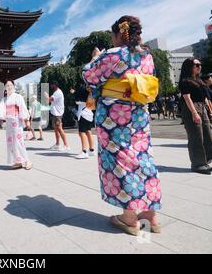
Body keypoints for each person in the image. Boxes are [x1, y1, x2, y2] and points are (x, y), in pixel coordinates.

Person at [82, 15, 161, 235]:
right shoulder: (147, 56)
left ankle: (129, 218)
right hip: (138, 115)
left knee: (121, 160)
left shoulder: (112, 54)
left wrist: (95, 57)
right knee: (143, 158)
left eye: (112, 35)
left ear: (119, 34)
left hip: (114, 117)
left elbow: (88, 76)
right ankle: (150, 216)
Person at [179, 59, 212, 175]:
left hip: (202, 108)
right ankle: (198, 164)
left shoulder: (199, 80)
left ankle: (205, 162)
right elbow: (187, 98)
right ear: (189, 66)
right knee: (196, 137)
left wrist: (209, 110)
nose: (199, 67)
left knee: (207, 136)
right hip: (191, 108)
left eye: (200, 64)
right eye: (196, 65)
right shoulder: (185, 81)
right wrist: (194, 113)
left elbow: (205, 97)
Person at [0, 81, 32, 170]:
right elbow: (0, 109)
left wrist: (27, 120)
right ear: (5, 87)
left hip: (17, 122)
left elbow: (23, 108)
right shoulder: (4, 99)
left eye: (10, 85)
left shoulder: (18, 97)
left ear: (13, 86)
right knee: (11, 143)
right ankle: (18, 161)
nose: (9, 87)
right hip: (9, 123)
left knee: (19, 142)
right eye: (7, 85)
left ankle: (27, 160)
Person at [44, 81, 70, 152]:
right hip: (55, 114)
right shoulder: (56, 92)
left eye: (51, 85)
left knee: (59, 129)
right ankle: (58, 144)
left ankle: (66, 145)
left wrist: (46, 95)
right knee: (56, 129)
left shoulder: (58, 92)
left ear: (55, 85)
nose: (50, 86)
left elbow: (49, 100)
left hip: (58, 114)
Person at [74, 84, 95, 159]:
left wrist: (74, 92)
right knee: (88, 131)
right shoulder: (90, 95)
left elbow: (76, 101)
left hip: (83, 115)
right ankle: (91, 150)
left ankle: (84, 151)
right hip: (89, 115)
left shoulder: (80, 100)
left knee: (82, 133)